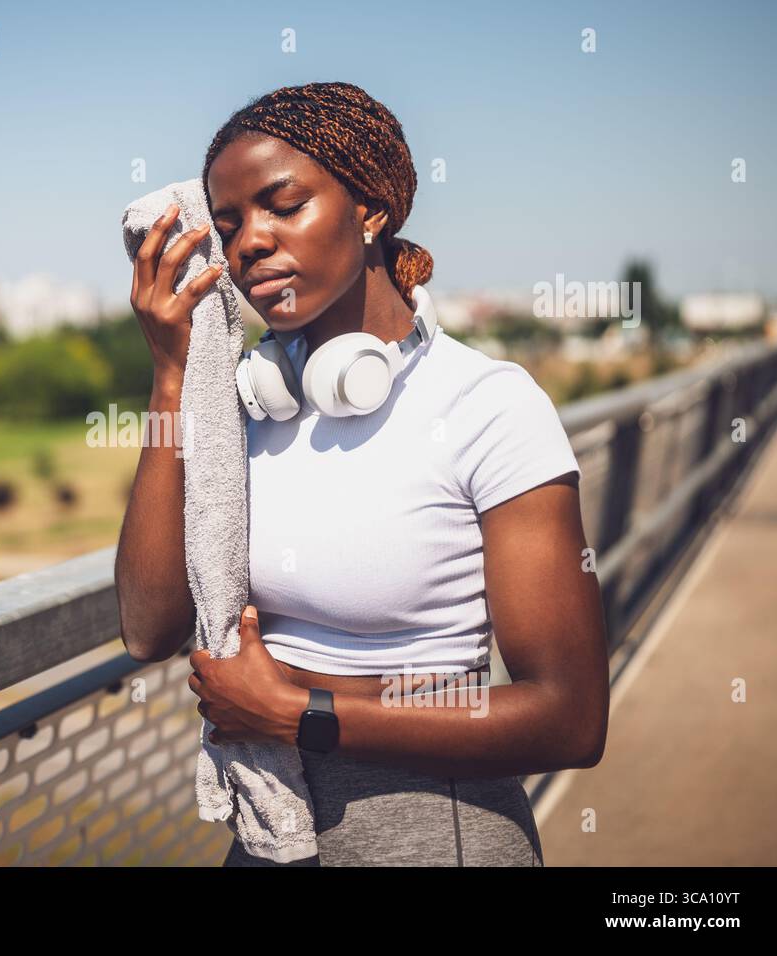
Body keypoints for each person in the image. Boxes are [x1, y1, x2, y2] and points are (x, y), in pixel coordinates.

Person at [115, 81, 609, 866]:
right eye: (232, 222)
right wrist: (172, 379)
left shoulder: (488, 405)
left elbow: (569, 716)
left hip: (436, 836)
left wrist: (304, 711)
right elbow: (148, 627)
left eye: (284, 204)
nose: (250, 242)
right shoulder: (251, 407)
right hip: (270, 833)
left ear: (371, 210)